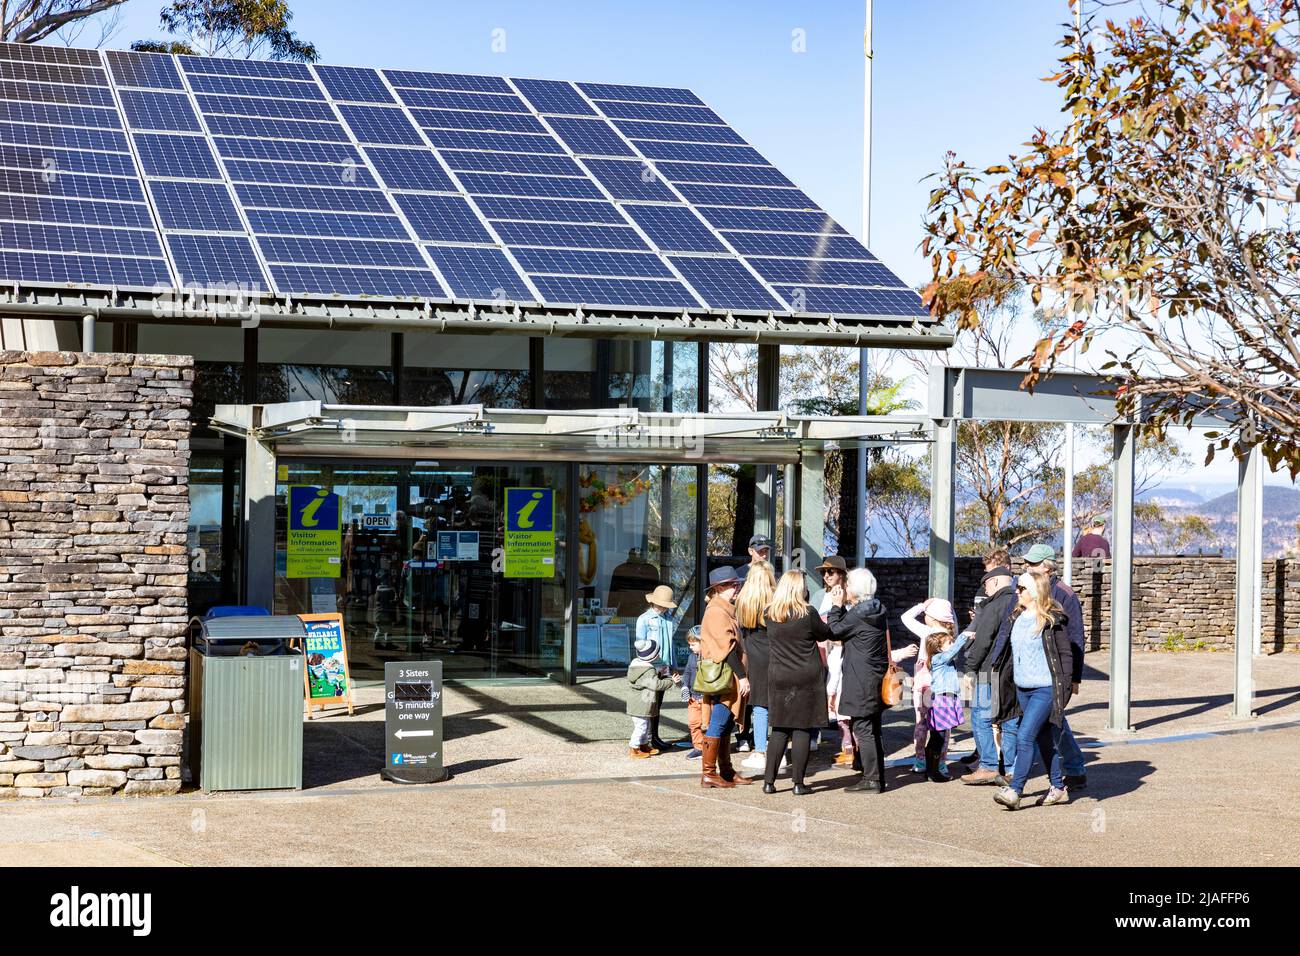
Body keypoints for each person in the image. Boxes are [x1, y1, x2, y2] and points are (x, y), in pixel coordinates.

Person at [825, 567, 918, 793]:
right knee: (873, 727)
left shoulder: (857, 614)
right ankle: (877, 775)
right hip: (874, 677)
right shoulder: (876, 610)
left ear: (854, 591)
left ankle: (872, 779)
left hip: (861, 679)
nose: (844, 588)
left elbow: (834, 631)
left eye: (847, 585)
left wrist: (836, 606)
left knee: (863, 728)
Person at [991, 571, 1074, 810]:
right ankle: (1057, 787)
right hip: (1022, 688)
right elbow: (1008, 651)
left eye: (1022, 589)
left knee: (1024, 736)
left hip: (1046, 688)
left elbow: (1066, 655)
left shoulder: (1052, 620)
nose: (1017, 592)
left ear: (1035, 592)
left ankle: (1015, 790)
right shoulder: (1016, 617)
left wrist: (1066, 687)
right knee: (1043, 738)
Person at [1022, 543, 1088, 788]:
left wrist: (1075, 678)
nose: (1027, 567)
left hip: (1055, 672)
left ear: (1047, 567)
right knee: (1052, 719)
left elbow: (1075, 639)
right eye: (1027, 563)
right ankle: (1073, 767)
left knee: (1053, 719)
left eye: (1033, 563)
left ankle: (1071, 768)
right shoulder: (1028, 590)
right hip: (1033, 670)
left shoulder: (1064, 594)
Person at [762, 570, 833, 795]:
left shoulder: (769, 614)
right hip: (805, 676)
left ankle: (769, 782)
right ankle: (797, 783)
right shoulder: (808, 613)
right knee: (802, 728)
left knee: (779, 729)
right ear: (800, 588)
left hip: (779, 675)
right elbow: (824, 634)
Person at [697, 566, 753, 789]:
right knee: (719, 723)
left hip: (728, 677)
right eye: (731, 584)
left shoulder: (725, 609)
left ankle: (727, 771)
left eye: (737, 583)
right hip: (723, 678)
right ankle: (709, 773)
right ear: (719, 588)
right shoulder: (717, 612)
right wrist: (743, 677)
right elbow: (726, 649)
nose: (736, 587)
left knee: (726, 723)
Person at [961, 564, 1017, 785]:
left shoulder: (993, 606)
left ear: (994, 582)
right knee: (1010, 719)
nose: (985, 589)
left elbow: (982, 641)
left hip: (988, 672)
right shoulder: (1019, 601)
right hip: (1012, 672)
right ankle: (1012, 768)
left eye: (986, 585)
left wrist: (970, 669)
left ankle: (988, 766)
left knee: (981, 717)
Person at [901, 597, 957, 777]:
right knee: (944, 727)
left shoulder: (927, 632)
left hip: (923, 685)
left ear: (932, 617)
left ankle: (920, 760)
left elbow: (905, 618)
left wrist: (921, 605)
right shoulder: (951, 637)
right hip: (944, 688)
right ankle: (941, 762)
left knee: (921, 723)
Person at [737, 561, 779, 772]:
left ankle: (760, 751)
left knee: (760, 706)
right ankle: (780, 752)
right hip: (777, 654)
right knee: (779, 703)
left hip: (754, 657)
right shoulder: (776, 599)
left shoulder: (744, 600)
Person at [922, 625, 970, 783]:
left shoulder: (941, 659)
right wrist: (964, 636)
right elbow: (952, 652)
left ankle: (931, 770)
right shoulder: (939, 658)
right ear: (939, 647)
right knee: (938, 737)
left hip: (945, 698)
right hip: (942, 700)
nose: (952, 644)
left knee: (937, 737)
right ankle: (933, 772)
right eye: (949, 642)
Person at [635, 584, 679, 752]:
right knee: (647, 702)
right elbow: (640, 645)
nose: (663, 608)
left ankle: (654, 736)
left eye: (666, 605)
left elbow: (671, 643)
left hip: (664, 667)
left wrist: (674, 665)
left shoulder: (669, 619)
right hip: (650, 667)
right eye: (661, 604)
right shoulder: (644, 619)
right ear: (653, 602)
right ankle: (643, 739)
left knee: (658, 704)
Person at [626, 639, 680, 758]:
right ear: (653, 656)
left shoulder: (637, 666)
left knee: (646, 725)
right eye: (657, 653)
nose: (659, 655)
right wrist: (671, 681)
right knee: (641, 726)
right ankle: (634, 748)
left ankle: (644, 745)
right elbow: (656, 685)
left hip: (641, 702)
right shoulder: (648, 670)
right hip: (640, 704)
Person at [680, 626, 705, 759]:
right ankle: (698, 748)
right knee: (694, 723)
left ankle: (711, 748)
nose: (691, 647)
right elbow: (688, 673)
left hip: (707, 697)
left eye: (693, 644)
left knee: (707, 724)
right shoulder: (691, 657)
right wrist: (685, 686)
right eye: (689, 645)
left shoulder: (710, 657)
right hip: (694, 696)